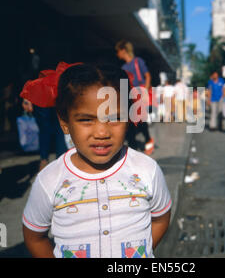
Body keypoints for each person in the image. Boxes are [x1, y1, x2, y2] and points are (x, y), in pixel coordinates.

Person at [22, 63, 172, 258]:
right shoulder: (49, 180)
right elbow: (34, 237)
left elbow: (161, 218)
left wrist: (140, 252)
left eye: (115, 117)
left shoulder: (147, 169)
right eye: (86, 119)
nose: (102, 132)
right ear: (64, 122)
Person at [115, 40, 155, 155]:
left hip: (139, 96)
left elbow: (147, 76)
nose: (117, 54)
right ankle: (133, 150)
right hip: (130, 97)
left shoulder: (138, 62)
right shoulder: (123, 67)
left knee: (141, 122)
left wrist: (144, 91)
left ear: (123, 50)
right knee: (131, 124)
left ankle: (148, 141)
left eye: (118, 51)